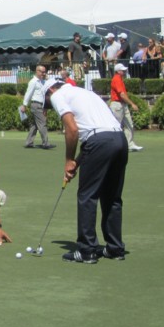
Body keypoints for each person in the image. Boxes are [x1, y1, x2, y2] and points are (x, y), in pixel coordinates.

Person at [43, 78, 129, 263]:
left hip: (99, 142)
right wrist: (76, 163)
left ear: (50, 90)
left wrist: (67, 160)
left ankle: (87, 250)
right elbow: (94, 134)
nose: (50, 105)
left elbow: (72, 130)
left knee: (87, 196)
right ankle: (115, 248)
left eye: (47, 101)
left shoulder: (57, 95)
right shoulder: (85, 92)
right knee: (112, 197)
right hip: (119, 140)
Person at [109, 63, 143, 152]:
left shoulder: (120, 79)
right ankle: (112, 145)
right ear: (118, 71)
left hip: (122, 104)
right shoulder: (116, 79)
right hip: (117, 105)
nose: (124, 72)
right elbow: (122, 94)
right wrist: (132, 104)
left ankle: (129, 144)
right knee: (116, 126)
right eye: (122, 70)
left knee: (129, 124)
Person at [21, 65, 54, 149]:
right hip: (36, 104)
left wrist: (45, 107)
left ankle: (29, 142)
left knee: (35, 125)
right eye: (42, 72)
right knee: (42, 123)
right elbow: (28, 94)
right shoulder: (33, 82)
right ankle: (45, 143)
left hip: (41, 105)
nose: (44, 73)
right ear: (37, 71)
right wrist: (24, 105)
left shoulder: (43, 81)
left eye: (44, 72)